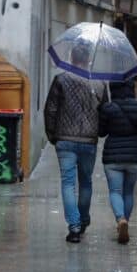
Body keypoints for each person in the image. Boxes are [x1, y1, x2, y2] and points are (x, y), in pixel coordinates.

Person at [44, 44, 107, 243]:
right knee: (86, 182)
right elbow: (105, 113)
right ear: (88, 59)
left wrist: (52, 135)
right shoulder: (99, 84)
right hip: (89, 141)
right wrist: (100, 132)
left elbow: (51, 110)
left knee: (68, 183)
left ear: (71, 58)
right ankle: (84, 219)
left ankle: (74, 226)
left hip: (65, 140)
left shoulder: (60, 80)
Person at [99, 80, 137, 244]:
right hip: (134, 155)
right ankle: (125, 222)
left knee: (115, 191)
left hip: (113, 156)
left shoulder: (108, 108)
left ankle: (120, 220)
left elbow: (101, 132)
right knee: (128, 192)